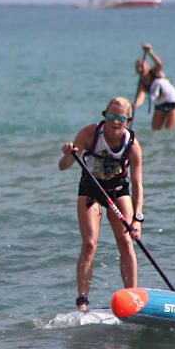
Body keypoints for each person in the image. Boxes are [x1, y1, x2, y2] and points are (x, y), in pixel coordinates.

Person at [58, 97, 144, 311]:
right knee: (89, 245)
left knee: (126, 242)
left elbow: (137, 184)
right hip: (91, 188)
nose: (115, 123)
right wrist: (69, 154)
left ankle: (131, 298)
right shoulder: (89, 134)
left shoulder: (132, 145)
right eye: (111, 117)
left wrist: (137, 219)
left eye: (121, 119)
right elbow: (63, 166)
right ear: (105, 115)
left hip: (117, 190)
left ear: (128, 120)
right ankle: (82, 302)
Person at [132, 43, 175, 130]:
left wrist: (149, 52)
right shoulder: (142, 83)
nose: (140, 69)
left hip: (173, 102)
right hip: (160, 105)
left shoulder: (155, 72)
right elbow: (141, 97)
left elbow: (159, 63)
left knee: (168, 130)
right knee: (155, 130)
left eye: (141, 66)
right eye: (138, 67)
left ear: (147, 66)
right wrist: (136, 104)